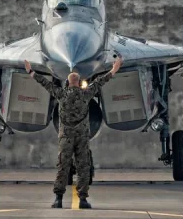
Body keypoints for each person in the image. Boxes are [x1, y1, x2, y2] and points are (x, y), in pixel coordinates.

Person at [24, 57, 123, 209]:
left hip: (66, 138)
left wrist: (30, 71)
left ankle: (58, 199)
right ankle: (82, 199)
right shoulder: (86, 94)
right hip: (82, 138)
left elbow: (45, 83)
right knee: (83, 167)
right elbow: (102, 81)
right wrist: (114, 69)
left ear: (68, 82)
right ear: (78, 82)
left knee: (63, 167)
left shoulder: (61, 94)